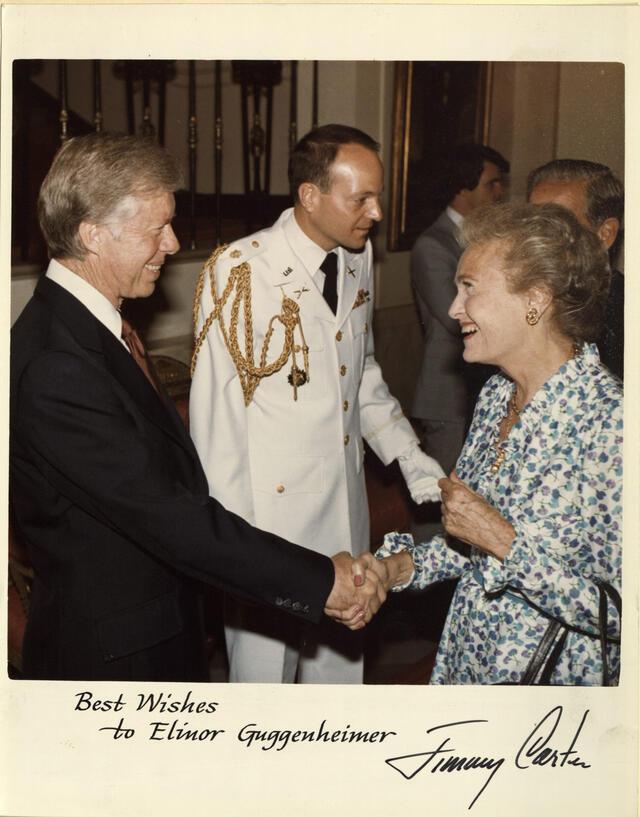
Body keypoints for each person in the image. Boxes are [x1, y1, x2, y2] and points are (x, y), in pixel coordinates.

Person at [9, 132, 385, 682]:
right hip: (113, 657)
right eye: (156, 227)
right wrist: (317, 580)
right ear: (94, 235)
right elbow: (168, 515)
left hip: (157, 626)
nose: (172, 243)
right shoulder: (55, 365)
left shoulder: (88, 328)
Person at [190, 124, 445, 684]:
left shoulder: (357, 256)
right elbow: (218, 426)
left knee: (338, 687)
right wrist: (237, 552)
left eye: (377, 196)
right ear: (310, 195)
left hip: (344, 513)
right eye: (361, 199)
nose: (375, 213)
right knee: (265, 696)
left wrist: (407, 453)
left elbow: (361, 372)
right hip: (270, 528)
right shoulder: (241, 270)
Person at [370, 202, 622, 685]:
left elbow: (618, 614)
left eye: (469, 288)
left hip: (547, 691)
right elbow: (471, 543)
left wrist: (506, 544)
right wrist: (400, 567)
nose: (452, 308)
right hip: (470, 659)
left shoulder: (610, 423)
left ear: (536, 299)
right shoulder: (496, 396)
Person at [411, 144, 510, 475]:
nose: (500, 192)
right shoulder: (434, 245)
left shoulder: (489, 239)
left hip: (482, 386)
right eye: (491, 184)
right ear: (461, 187)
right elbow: (455, 317)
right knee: (443, 490)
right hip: (448, 394)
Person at [527, 158, 624, 379]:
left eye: (557, 223)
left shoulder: (624, 314)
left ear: (605, 233)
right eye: (532, 222)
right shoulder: (517, 297)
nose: (536, 236)